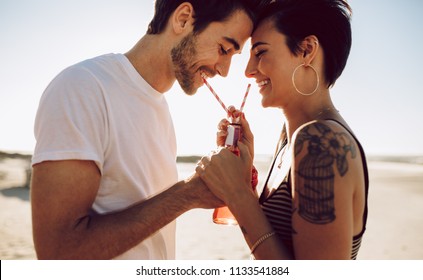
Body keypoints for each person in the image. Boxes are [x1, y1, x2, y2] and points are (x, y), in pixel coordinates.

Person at [30, 0, 268, 260]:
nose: (224, 70)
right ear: (183, 18)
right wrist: (188, 194)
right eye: (224, 49)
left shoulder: (161, 110)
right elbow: (58, 253)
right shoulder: (83, 88)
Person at [196, 0, 369, 259]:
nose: (248, 71)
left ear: (306, 50)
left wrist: (237, 193)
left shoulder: (319, 142)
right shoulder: (290, 138)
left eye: (261, 52)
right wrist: (244, 177)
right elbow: (275, 240)